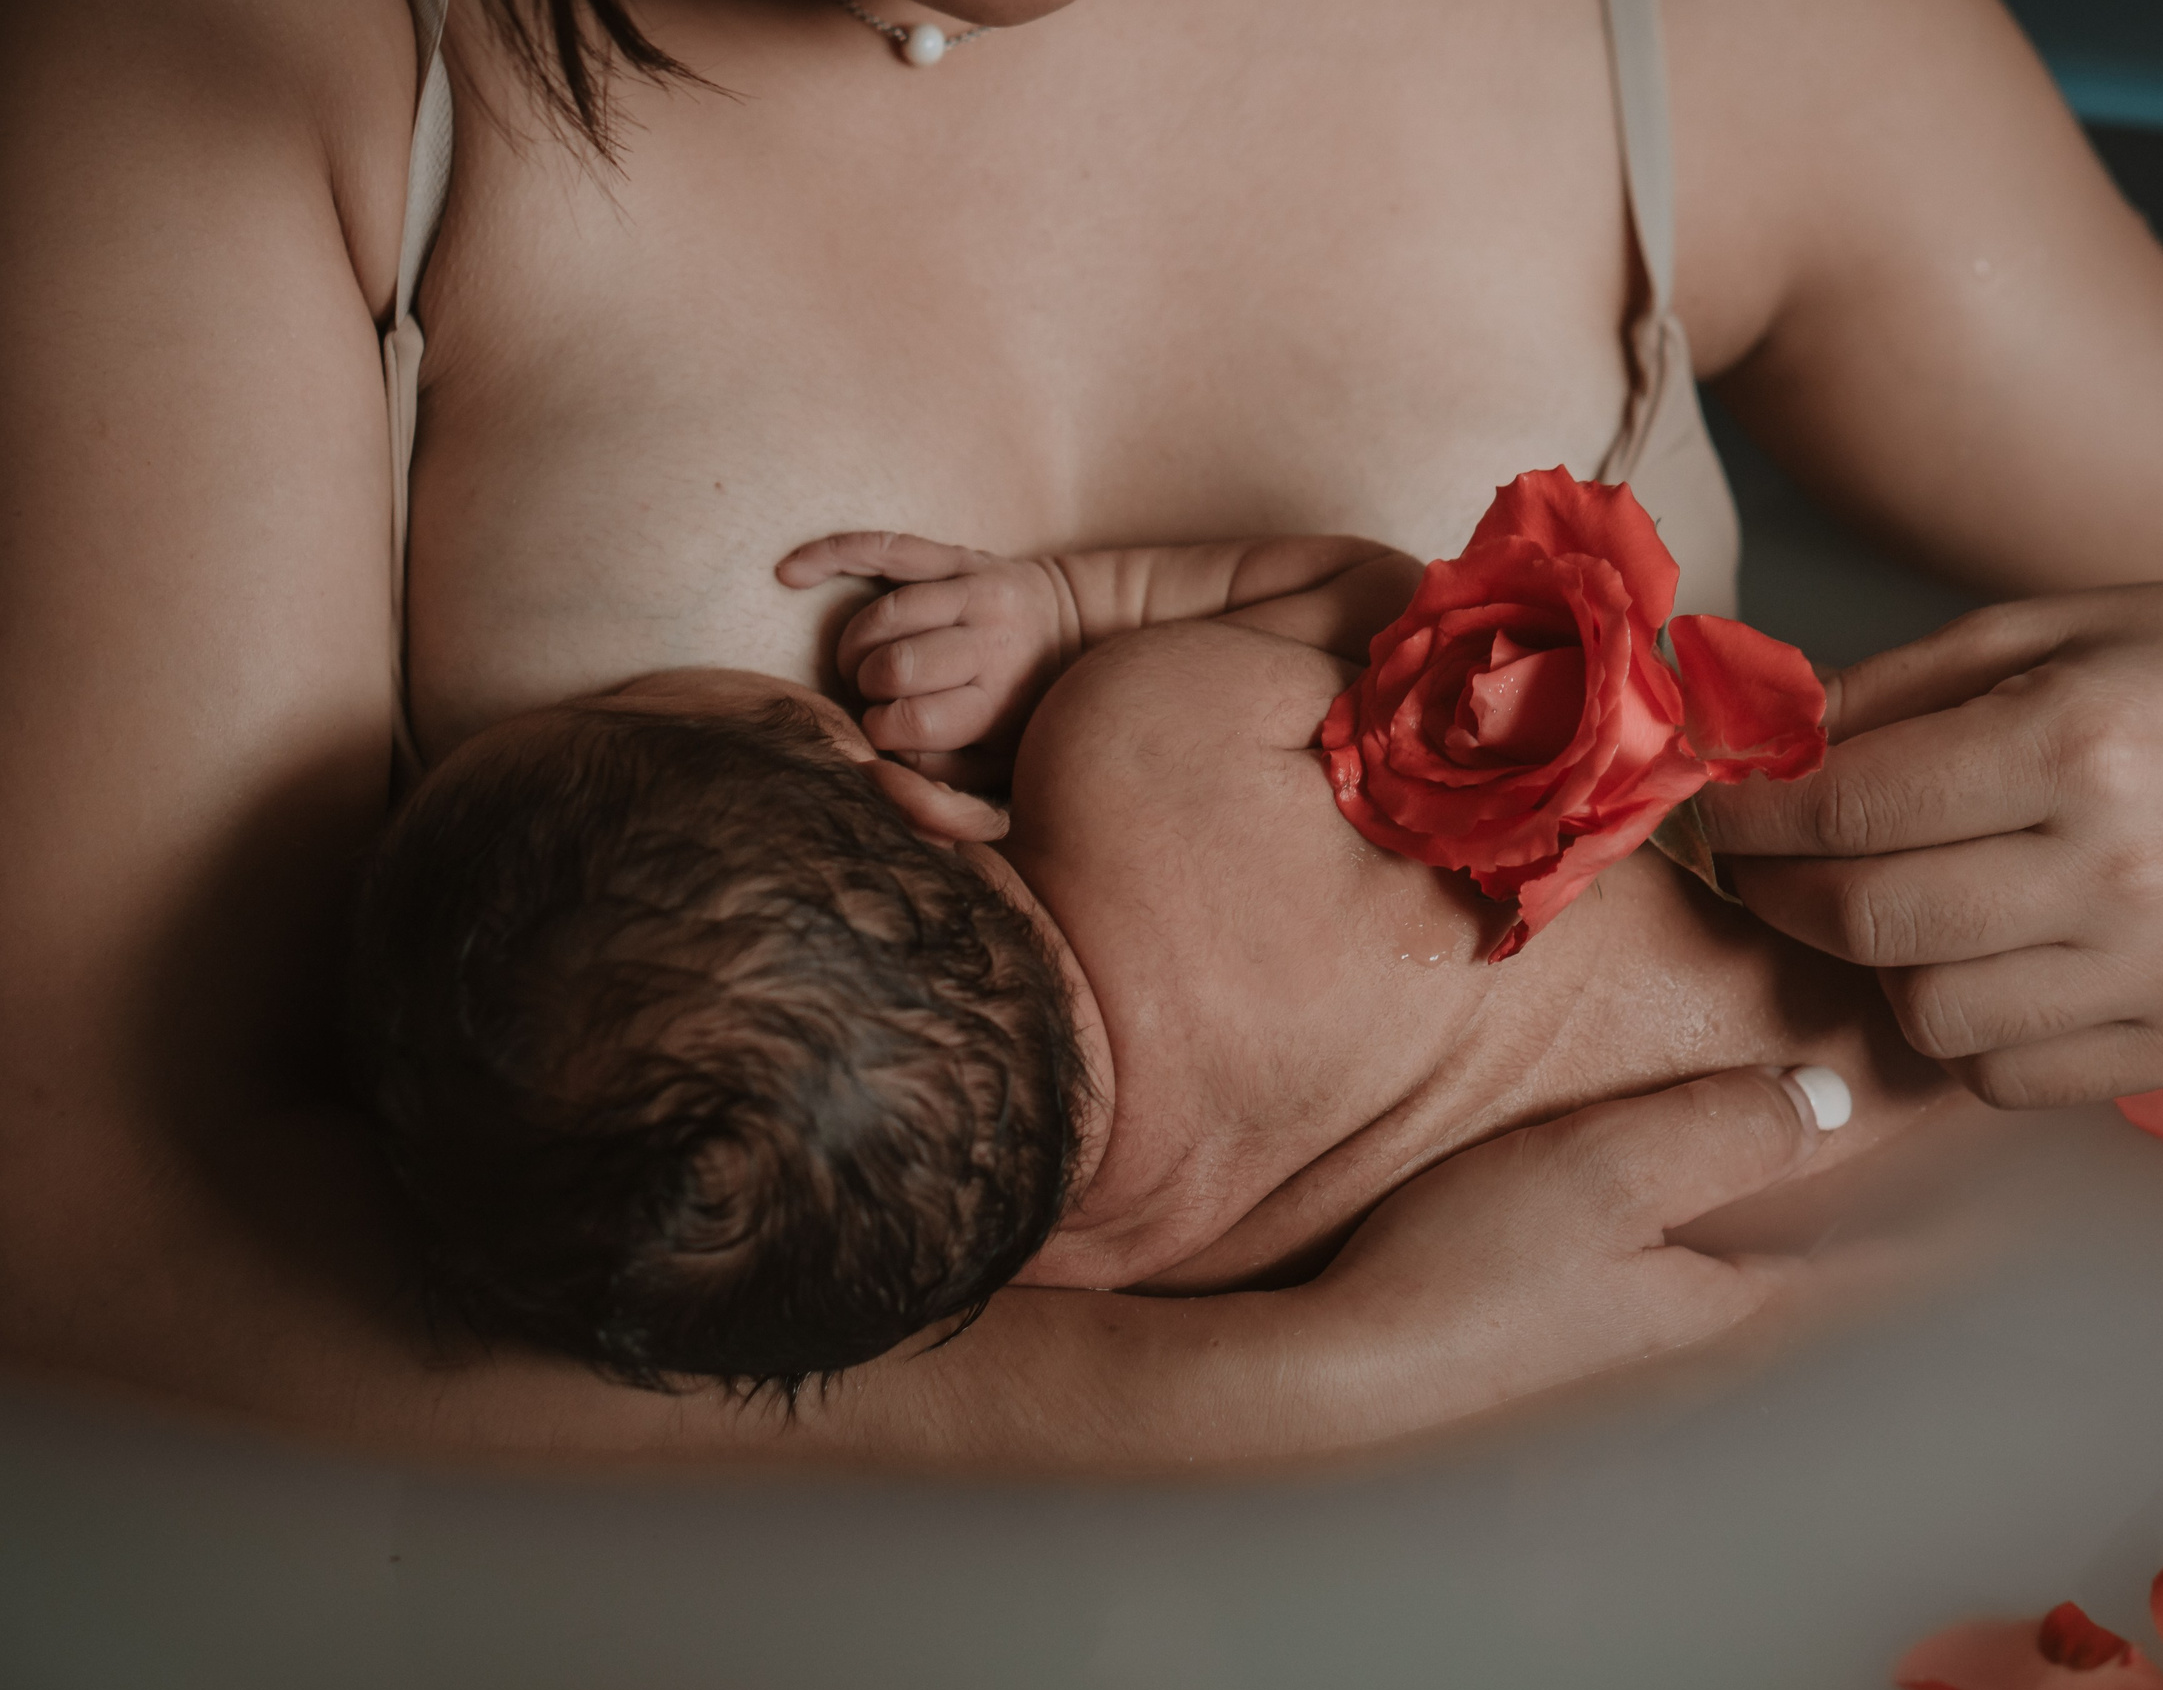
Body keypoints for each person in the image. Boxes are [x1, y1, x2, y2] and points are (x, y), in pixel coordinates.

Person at [3, 0, 2163, 1465]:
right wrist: (1240, 1394)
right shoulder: (249, 64)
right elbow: (83, 1203)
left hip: (1760, 1466)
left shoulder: (1702, 35)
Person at [343, 526, 1935, 1388]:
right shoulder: (1131, 742)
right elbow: (1393, 605)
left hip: (1810, 1211)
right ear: (905, 796)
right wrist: (1063, 605)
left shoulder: (1087, 1268)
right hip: (1911, 903)